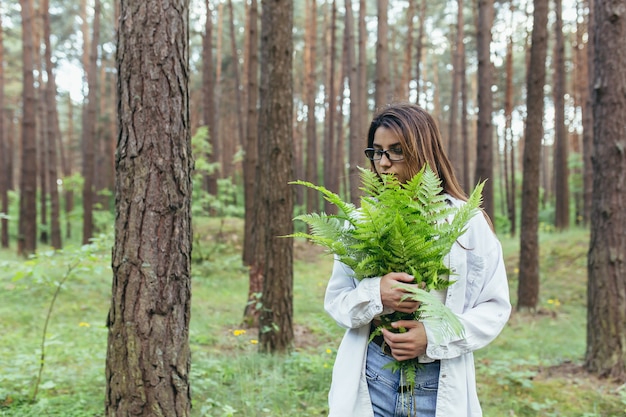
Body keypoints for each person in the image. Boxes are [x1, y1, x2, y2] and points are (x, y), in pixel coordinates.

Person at [324, 103, 511, 417]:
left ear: (424, 151)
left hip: (437, 387)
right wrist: (376, 293)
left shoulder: (466, 222)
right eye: (377, 151)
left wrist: (432, 337)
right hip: (372, 380)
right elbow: (337, 302)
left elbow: (495, 308)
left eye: (396, 151)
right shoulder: (361, 220)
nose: (383, 163)